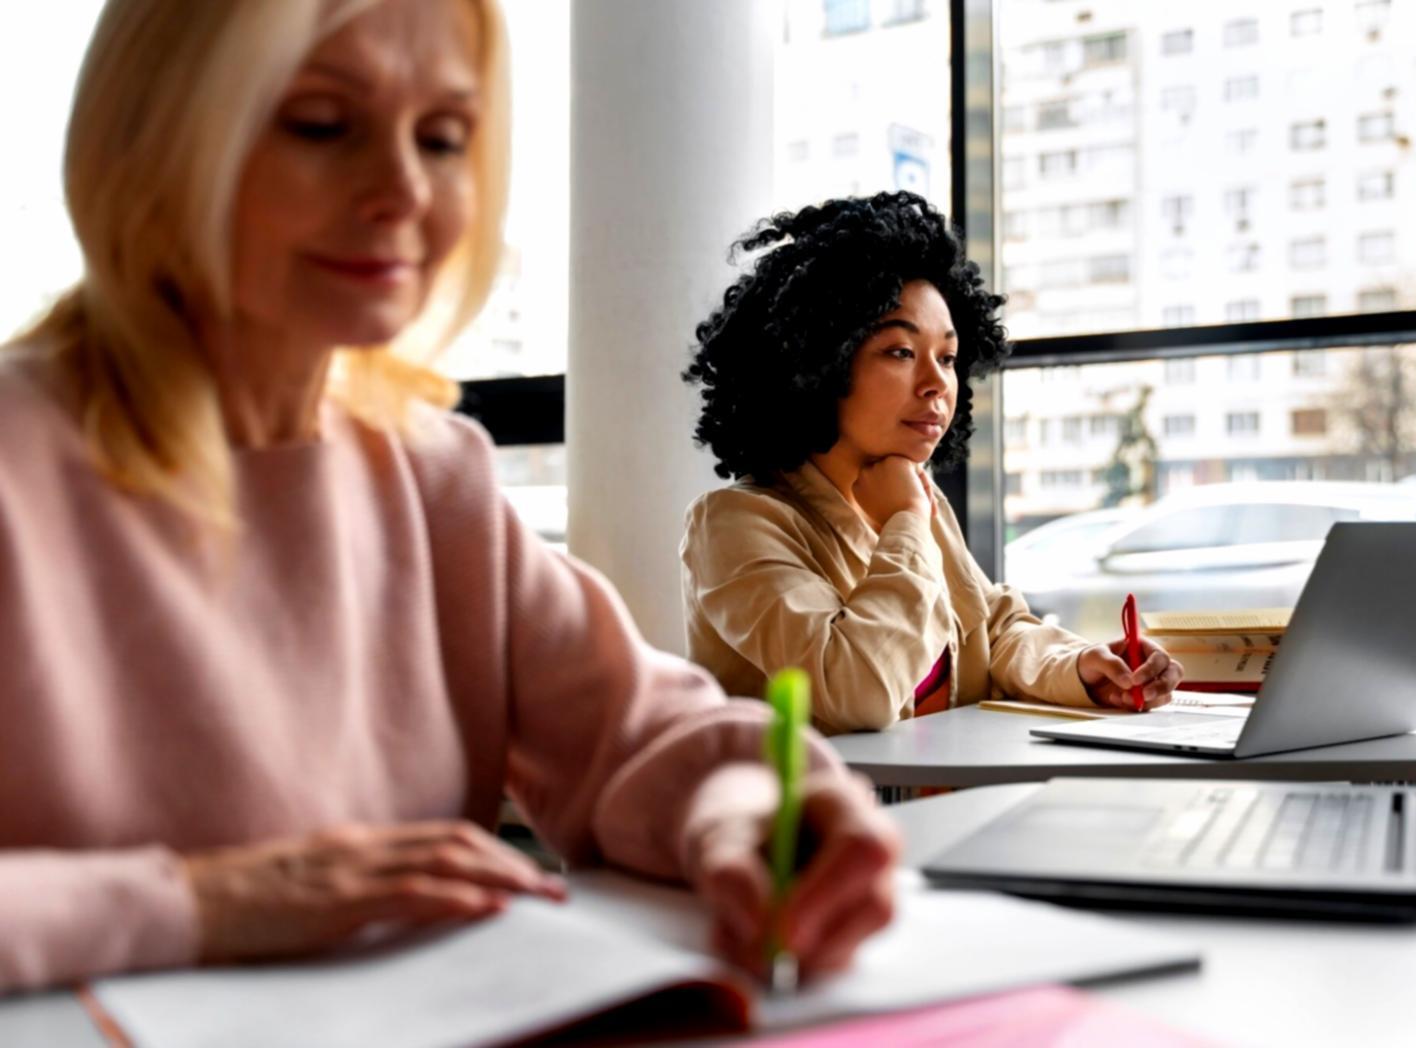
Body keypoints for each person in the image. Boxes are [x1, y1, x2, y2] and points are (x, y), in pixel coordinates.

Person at [0, 0, 897, 995]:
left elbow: (641, 733)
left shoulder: (433, 481)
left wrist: (742, 814)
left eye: (442, 138)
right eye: (320, 124)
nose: (402, 190)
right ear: (154, 138)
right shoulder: (17, 466)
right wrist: (199, 903)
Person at [681, 193, 1182, 735]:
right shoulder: (735, 524)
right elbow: (860, 690)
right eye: (900, 352)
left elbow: (991, 628)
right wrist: (905, 525)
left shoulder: (915, 497)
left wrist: (1080, 668)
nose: (938, 384)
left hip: (940, 807)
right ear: (817, 362)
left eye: (947, 357)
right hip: (812, 818)